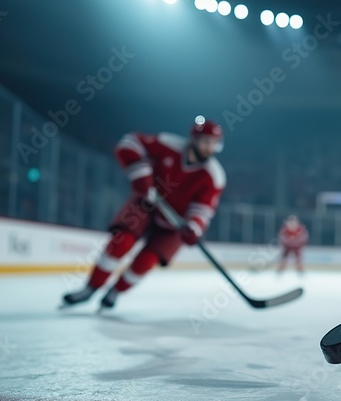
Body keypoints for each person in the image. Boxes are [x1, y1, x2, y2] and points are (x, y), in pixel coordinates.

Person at [61, 118, 225, 309]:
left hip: (173, 225)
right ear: (194, 139)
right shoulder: (168, 144)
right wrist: (141, 175)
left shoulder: (214, 175)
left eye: (214, 143)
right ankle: (90, 288)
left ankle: (115, 292)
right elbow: (129, 143)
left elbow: (203, 209)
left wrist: (194, 227)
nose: (210, 147)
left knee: (147, 261)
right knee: (121, 242)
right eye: (206, 141)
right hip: (146, 203)